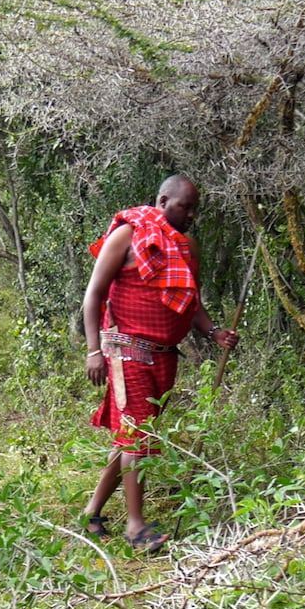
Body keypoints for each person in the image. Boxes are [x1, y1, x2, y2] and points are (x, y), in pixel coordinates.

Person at [82, 175, 238, 553]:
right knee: (138, 438)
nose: (191, 215)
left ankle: (92, 513)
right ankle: (136, 529)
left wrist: (213, 331)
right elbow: (94, 295)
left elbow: (191, 301)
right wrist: (93, 351)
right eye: (185, 207)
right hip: (126, 351)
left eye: (195, 209)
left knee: (131, 440)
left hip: (165, 357)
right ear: (164, 199)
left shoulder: (187, 247)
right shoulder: (127, 235)